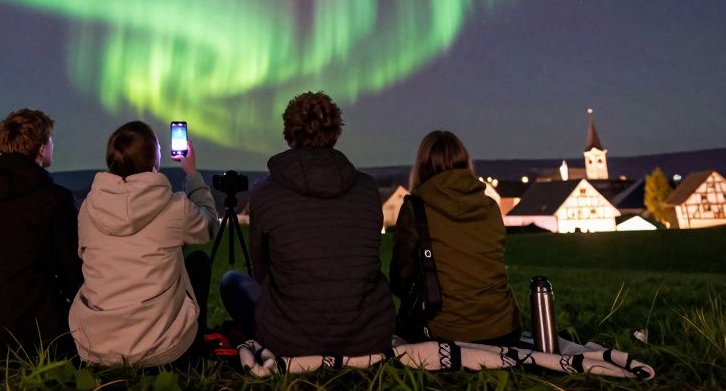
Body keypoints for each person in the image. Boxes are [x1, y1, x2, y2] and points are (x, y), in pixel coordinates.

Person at [220, 92, 393, 357]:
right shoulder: (367, 188)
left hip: (289, 342)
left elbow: (261, 271)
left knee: (231, 281)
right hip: (367, 338)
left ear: (289, 133)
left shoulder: (265, 192)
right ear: (336, 132)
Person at [69, 121, 218, 366]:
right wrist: (192, 175)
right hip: (163, 348)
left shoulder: (87, 208)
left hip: (95, 346)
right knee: (198, 262)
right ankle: (194, 350)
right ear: (153, 158)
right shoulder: (175, 206)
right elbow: (209, 226)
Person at [0, 109, 83, 357]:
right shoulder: (54, 200)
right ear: (42, 148)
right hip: (24, 333)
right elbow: (73, 273)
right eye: (50, 140)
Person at [390, 130, 521, 344]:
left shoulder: (416, 209)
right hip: (504, 330)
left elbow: (400, 280)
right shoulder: (489, 206)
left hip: (445, 332)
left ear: (421, 166)